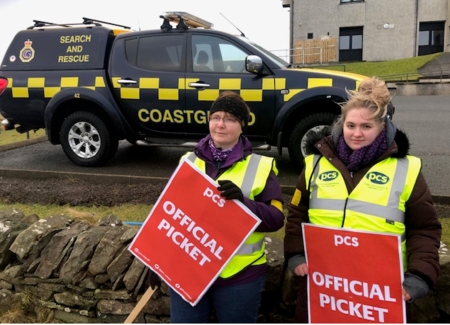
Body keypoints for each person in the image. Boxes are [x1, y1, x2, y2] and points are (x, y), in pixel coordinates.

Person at [283, 77, 442, 323]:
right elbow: (297, 213)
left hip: (381, 290)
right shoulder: (315, 163)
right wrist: (296, 255)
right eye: (350, 125)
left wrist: (419, 276)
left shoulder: (407, 169)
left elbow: (425, 228)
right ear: (341, 124)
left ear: (382, 127)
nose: (356, 134)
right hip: (324, 285)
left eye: (366, 127)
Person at [169, 90, 285, 323]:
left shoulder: (261, 166)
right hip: (187, 269)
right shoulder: (188, 161)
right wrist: (159, 263)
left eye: (230, 119)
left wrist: (243, 204)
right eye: (216, 117)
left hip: (240, 276)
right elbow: (170, 215)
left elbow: (275, 219)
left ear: (242, 126)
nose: (221, 124)